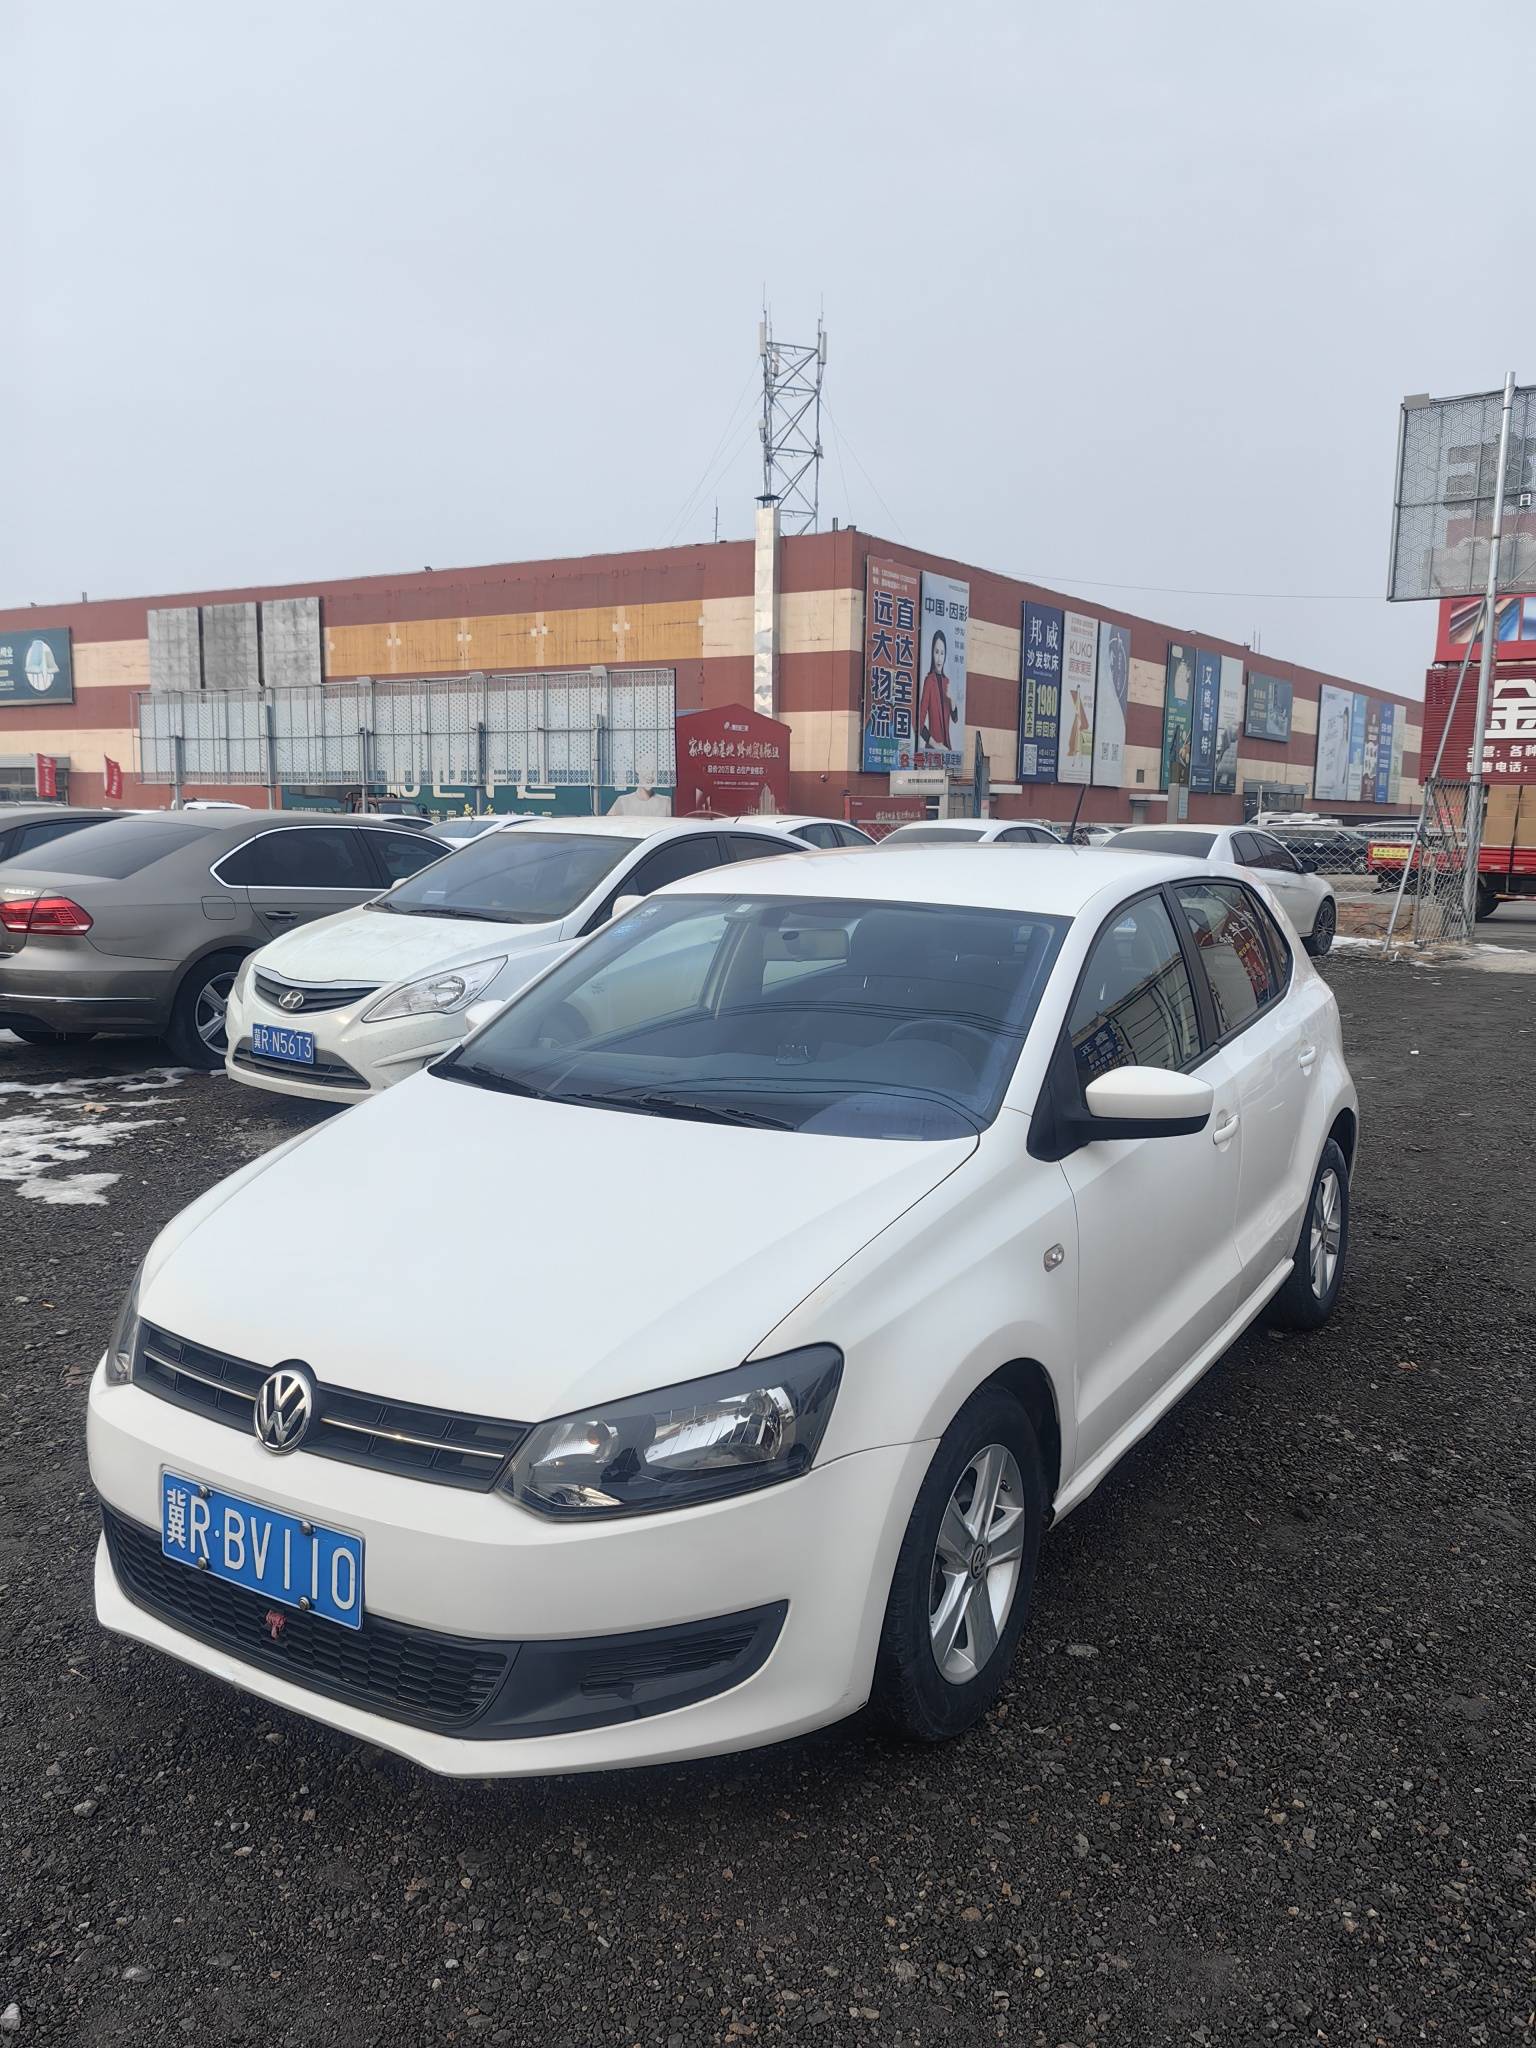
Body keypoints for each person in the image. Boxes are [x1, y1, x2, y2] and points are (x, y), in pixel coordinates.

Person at [917, 630, 958, 757]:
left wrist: (953, 701)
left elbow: (955, 719)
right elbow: (919, 721)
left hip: (948, 750)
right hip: (933, 751)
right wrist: (934, 744)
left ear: (945, 655)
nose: (939, 658)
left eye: (942, 653)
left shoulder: (947, 682)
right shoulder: (929, 681)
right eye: (936, 652)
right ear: (932, 653)